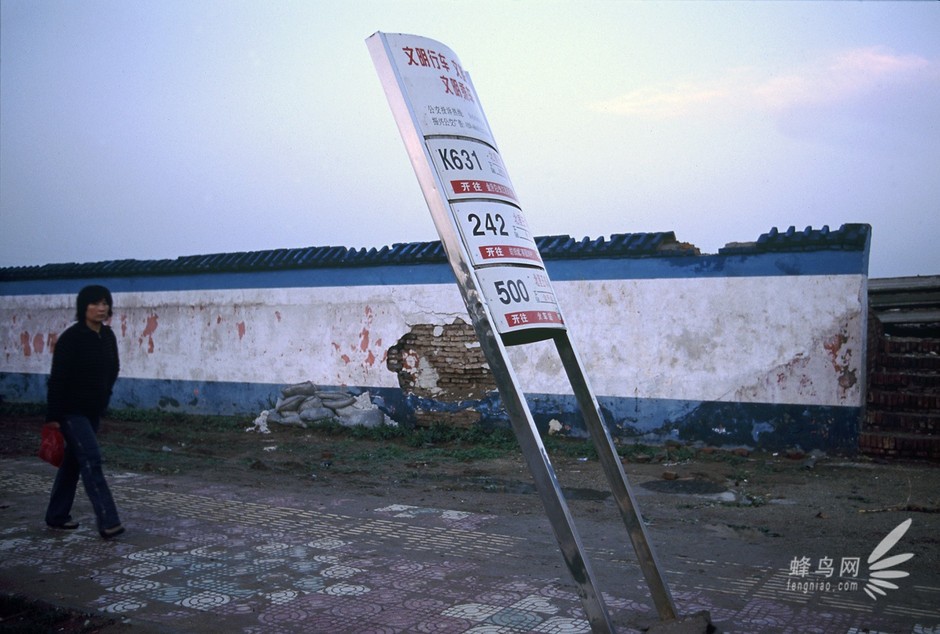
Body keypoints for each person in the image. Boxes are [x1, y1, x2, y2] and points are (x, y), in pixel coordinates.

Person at [44, 284, 124, 539]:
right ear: (84, 307)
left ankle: (56, 516)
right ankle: (109, 521)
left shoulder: (107, 336)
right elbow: (58, 379)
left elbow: (114, 368)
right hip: (70, 412)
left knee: (73, 463)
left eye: (105, 303)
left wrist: (105, 395)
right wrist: (54, 418)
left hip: (92, 412)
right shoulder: (71, 338)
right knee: (91, 458)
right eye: (95, 303)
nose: (101, 308)